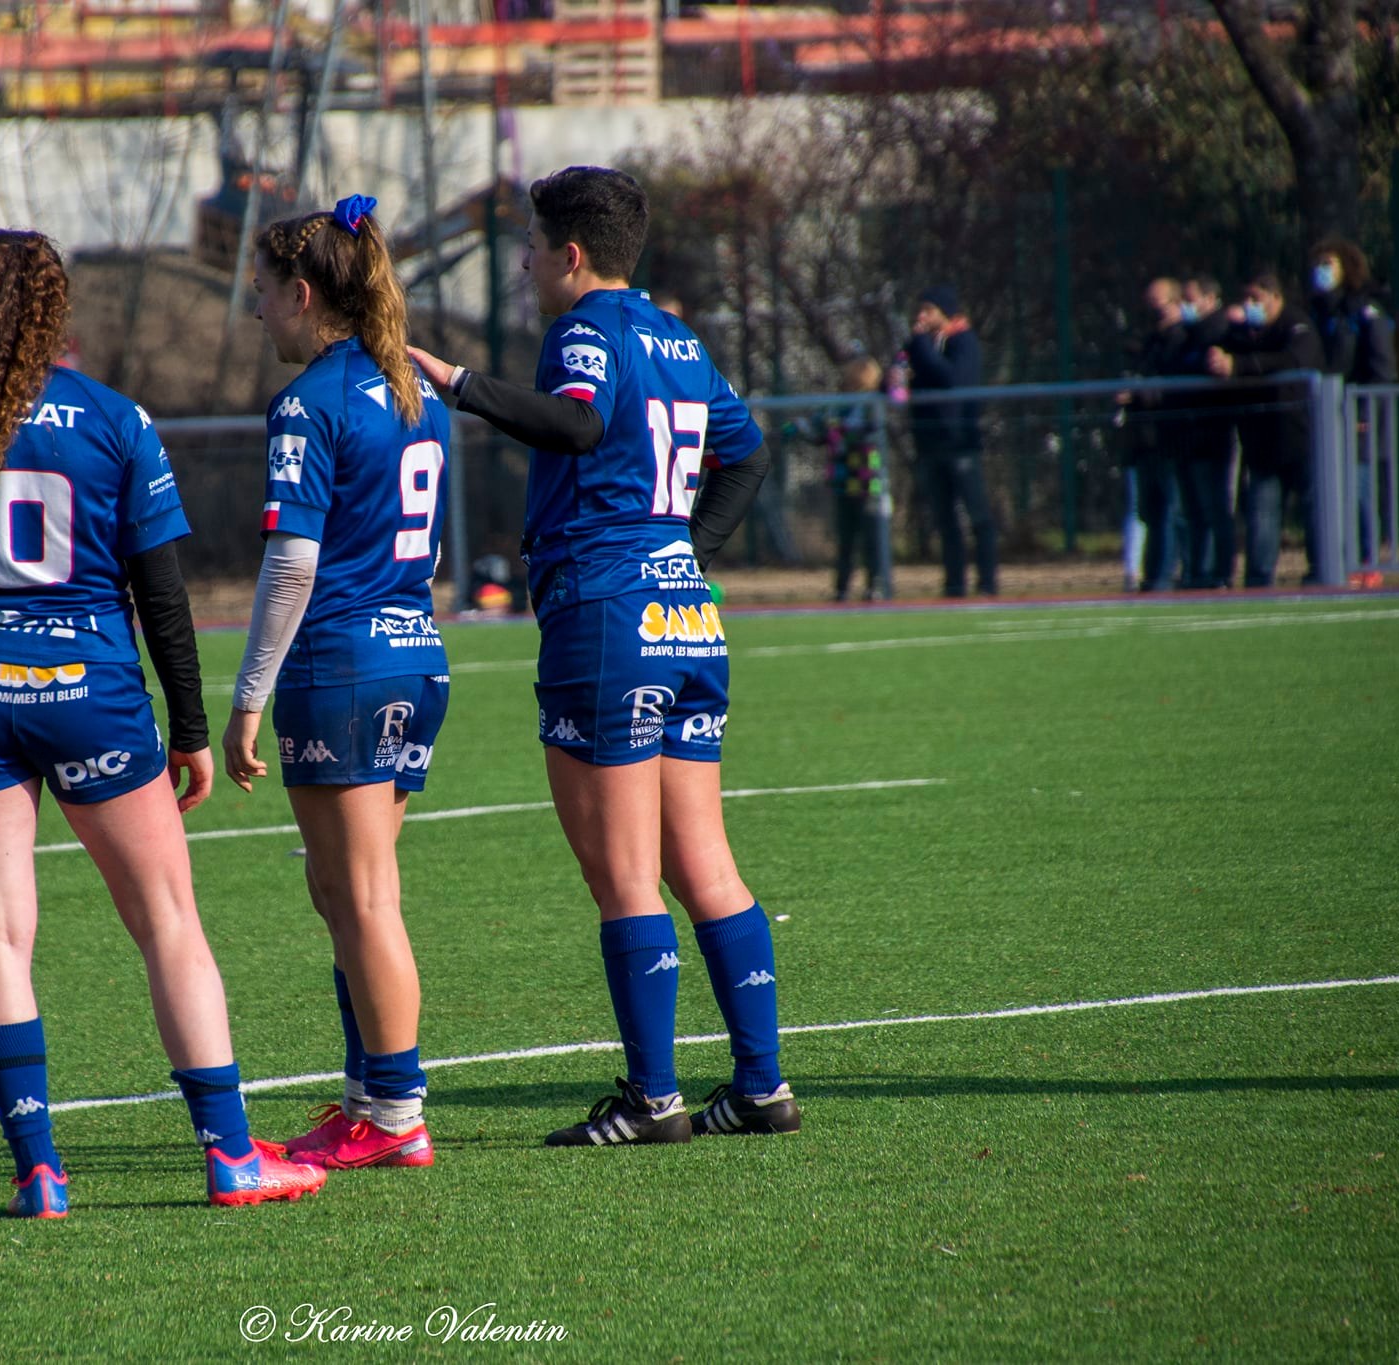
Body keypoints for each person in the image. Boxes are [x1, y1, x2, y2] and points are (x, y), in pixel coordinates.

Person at [0, 228, 325, 1216]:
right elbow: (162, 594)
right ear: (54, 312)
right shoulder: (113, 417)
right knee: (167, 924)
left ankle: (38, 1172)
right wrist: (190, 728)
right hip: (90, 696)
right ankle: (231, 1158)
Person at [409, 166, 797, 1146]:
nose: (526, 266)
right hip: (684, 618)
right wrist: (685, 552)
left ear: (571, 256)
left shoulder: (582, 329)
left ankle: (652, 1100)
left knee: (625, 875)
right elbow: (748, 454)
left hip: (607, 617)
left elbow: (578, 423)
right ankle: (760, 1087)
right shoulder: (679, 338)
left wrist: (459, 383)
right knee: (705, 865)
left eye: (532, 249)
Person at [221, 194, 450, 1172]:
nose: (256, 310)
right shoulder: (411, 386)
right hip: (413, 651)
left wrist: (246, 697)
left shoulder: (309, 402)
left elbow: (292, 565)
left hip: (342, 664)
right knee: (344, 893)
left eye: (263, 292)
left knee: (360, 899)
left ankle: (393, 1114)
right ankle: (368, 1100)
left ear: (303, 294)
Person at [1208, 271, 1325, 587]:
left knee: (1315, 511)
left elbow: (1296, 359)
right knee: (1261, 517)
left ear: (1275, 297)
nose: (1249, 305)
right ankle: (1259, 582)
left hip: (1301, 438)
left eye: (1256, 298)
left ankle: (1323, 574)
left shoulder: (1296, 325)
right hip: (1261, 445)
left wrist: (1240, 366)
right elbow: (1219, 351)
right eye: (1245, 298)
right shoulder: (1242, 333)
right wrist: (1220, 347)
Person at [898, 285, 997, 597]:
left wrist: (921, 346)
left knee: (978, 516)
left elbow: (950, 379)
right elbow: (900, 377)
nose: (921, 316)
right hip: (929, 444)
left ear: (946, 312)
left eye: (929, 310)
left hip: (960, 444)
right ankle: (954, 584)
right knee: (945, 520)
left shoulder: (963, 341)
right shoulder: (920, 345)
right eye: (920, 310)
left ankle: (987, 582)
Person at [1307, 238, 1398, 563]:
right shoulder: (1316, 313)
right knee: (1323, 495)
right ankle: (1327, 565)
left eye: (1328, 264)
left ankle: (1365, 563)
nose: (1320, 271)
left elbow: (1382, 370)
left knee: (1359, 494)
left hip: (1358, 422)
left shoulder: (1365, 313)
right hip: (1323, 418)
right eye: (1317, 264)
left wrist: (1364, 414)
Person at [785, 355, 892, 601]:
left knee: (872, 537)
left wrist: (839, 435)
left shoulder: (872, 404)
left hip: (869, 482)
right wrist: (800, 429)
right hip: (843, 481)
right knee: (846, 539)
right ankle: (842, 588)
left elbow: (867, 434)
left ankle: (877, 585)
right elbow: (820, 431)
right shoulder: (838, 405)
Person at [1122, 278, 1187, 592]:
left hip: (1171, 438)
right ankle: (1153, 575)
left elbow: (1171, 390)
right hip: (1145, 440)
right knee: (1150, 512)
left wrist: (1138, 395)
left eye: (1159, 303)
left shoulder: (1181, 340)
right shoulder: (1148, 343)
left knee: (1173, 511)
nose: (1153, 310)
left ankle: (1168, 575)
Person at [1171, 274, 1237, 589]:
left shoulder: (1219, 332)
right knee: (1193, 510)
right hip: (1187, 436)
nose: (1184, 306)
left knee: (1214, 508)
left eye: (1190, 299)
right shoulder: (1186, 336)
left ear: (1210, 300)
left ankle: (1219, 571)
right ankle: (1197, 571)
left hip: (1210, 435)